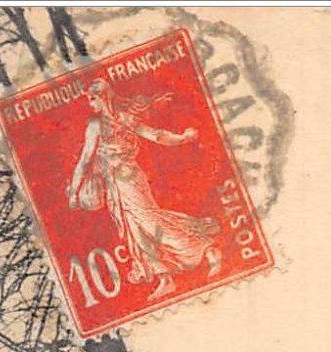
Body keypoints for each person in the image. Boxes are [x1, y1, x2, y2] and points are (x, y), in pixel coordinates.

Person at [68, 79, 222, 301]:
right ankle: (164, 278)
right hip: (116, 185)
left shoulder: (108, 123)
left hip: (127, 179)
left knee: (149, 222)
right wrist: (74, 191)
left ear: (104, 98)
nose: (90, 103)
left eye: (93, 98)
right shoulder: (108, 122)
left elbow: (156, 135)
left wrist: (183, 138)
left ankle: (205, 249)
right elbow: (85, 160)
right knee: (135, 229)